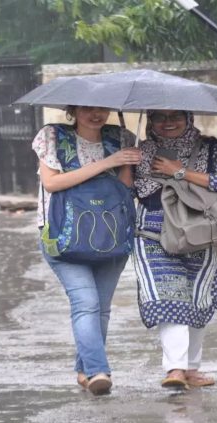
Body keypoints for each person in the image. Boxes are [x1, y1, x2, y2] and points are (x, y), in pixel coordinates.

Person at [33, 105, 141, 396]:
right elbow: (52, 183)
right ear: (73, 110)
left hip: (111, 234)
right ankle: (97, 371)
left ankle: (86, 371)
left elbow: (125, 189)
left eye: (101, 109)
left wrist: (126, 162)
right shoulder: (52, 136)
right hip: (63, 237)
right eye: (87, 109)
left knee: (101, 309)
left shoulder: (122, 138)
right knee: (86, 303)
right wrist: (109, 162)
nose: (95, 114)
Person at [132, 110, 217, 390]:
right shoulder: (140, 151)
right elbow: (131, 189)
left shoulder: (209, 147)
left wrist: (178, 172)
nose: (168, 123)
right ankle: (176, 368)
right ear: (151, 121)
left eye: (175, 117)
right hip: (152, 233)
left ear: (188, 118)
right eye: (160, 118)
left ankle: (191, 369)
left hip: (200, 231)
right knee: (169, 296)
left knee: (197, 298)